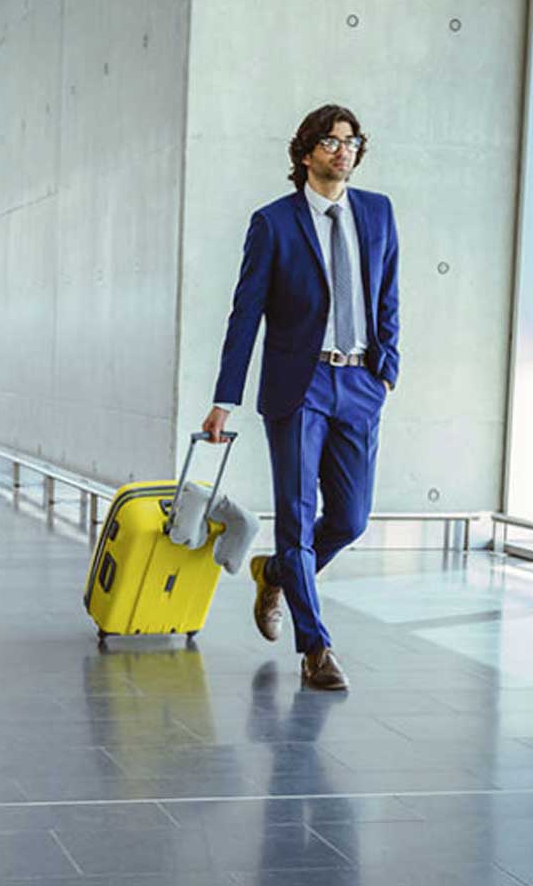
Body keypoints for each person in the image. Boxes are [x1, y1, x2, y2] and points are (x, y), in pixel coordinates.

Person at [201, 104, 401, 692]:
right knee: (295, 514)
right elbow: (246, 315)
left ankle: (278, 574)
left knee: (350, 517)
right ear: (307, 152)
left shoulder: (378, 212)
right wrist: (225, 398)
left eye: (352, 141)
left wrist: (386, 370)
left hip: (361, 382)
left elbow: (388, 292)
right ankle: (316, 648)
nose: (345, 151)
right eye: (332, 142)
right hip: (300, 384)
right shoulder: (274, 223)